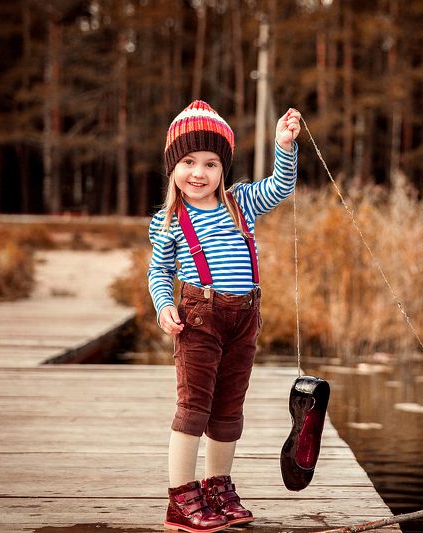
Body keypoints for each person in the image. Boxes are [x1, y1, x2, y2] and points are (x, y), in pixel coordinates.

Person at [147, 100, 301, 532]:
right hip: (199, 318)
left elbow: (282, 186)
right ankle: (181, 498)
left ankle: (217, 489)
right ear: (173, 166)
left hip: (244, 318)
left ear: (223, 168)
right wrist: (164, 305)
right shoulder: (169, 220)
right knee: (194, 407)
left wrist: (283, 145)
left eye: (211, 163)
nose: (199, 173)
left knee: (229, 410)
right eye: (189, 161)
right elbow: (158, 272)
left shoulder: (243, 202)